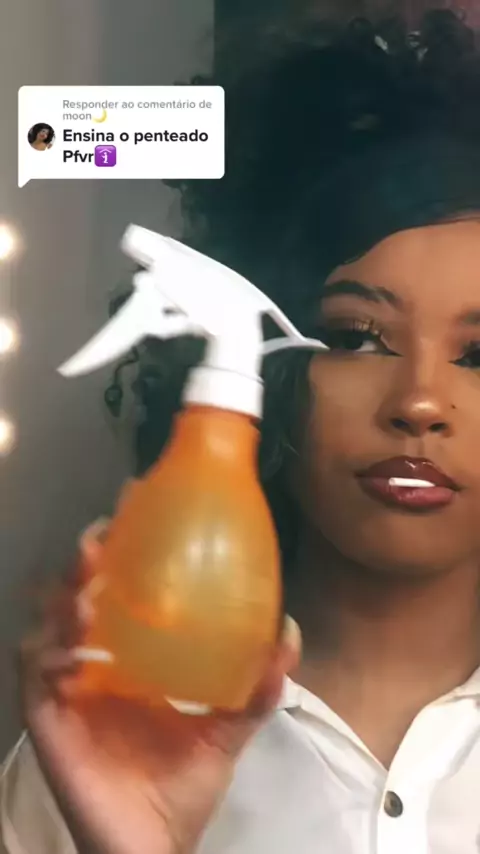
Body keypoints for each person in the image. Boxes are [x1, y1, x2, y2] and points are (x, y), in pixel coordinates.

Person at [4, 8, 480, 853]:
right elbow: (47, 133)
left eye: (479, 355)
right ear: (265, 365)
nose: (419, 402)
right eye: (353, 337)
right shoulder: (107, 752)